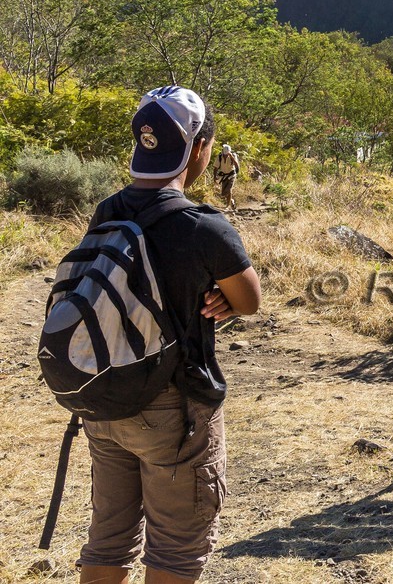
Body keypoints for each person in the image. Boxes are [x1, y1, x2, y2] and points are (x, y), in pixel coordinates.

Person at [78, 86, 261, 584]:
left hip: (105, 396)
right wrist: (219, 295)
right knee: (176, 551)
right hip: (174, 408)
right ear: (199, 148)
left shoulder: (107, 210)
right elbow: (249, 300)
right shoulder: (203, 226)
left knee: (108, 539)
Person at [212, 143, 241, 210]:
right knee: (223, 193)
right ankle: (231, 201)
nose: (225, 155)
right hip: (224, 175)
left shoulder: (233, 155)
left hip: (232, 174)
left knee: (229, 189)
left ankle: (227, 206)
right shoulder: (220, 156)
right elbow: (216, 167)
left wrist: (231, 157)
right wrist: (214, 177)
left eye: (227, 154)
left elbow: (236, 165)